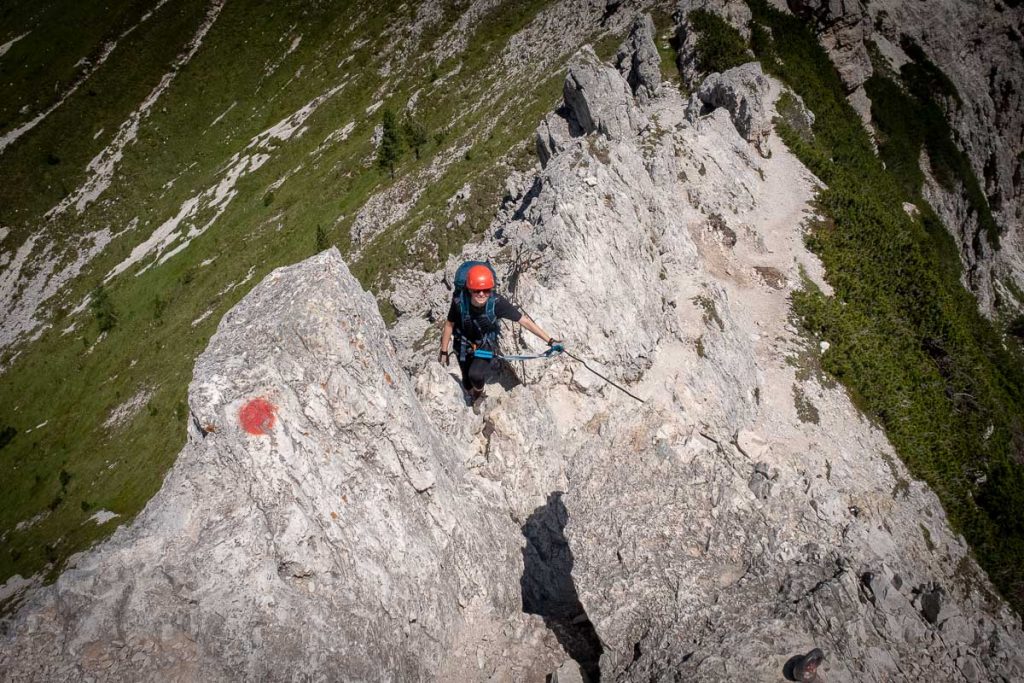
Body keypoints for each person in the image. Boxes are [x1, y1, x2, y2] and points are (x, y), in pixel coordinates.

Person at [438, 264, 559, 403]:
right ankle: (471, 391)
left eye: (486, 290)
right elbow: (449, 324)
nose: (482, 294)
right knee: (466, 381)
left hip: (485, 344)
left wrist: (550, 341)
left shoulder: (497, 303)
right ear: (470, 290)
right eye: (477, 290)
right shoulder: (460, 302)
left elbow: (524, 321)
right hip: (463, 344)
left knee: (475, 375)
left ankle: (479, 395)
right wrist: (444, 350)